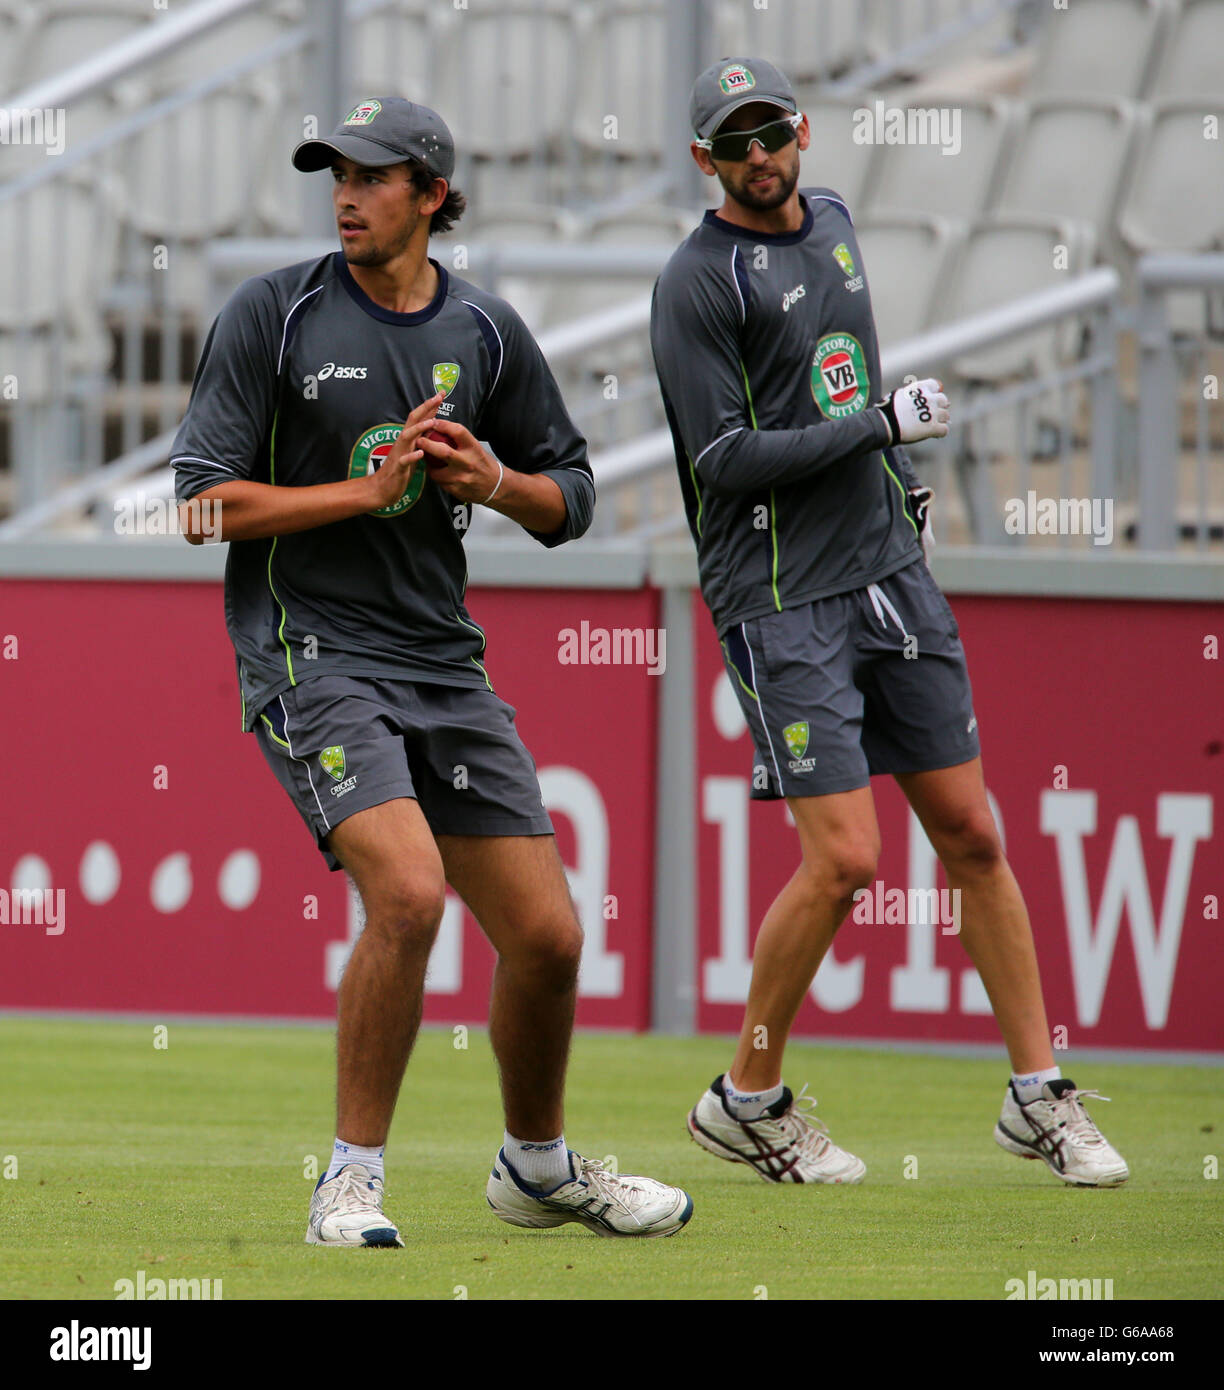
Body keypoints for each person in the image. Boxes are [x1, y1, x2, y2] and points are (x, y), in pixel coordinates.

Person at [172, 97, 693, 1244]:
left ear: (433, 194)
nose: (345, 194)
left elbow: (574, 500)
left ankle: (537, 1167)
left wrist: (492, 482)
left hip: (441, 660)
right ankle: (349, 1180)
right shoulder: (275, 312)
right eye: (334, 174)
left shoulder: (489, 334)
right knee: (407, 894)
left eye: (371, 175)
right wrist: (360, 494)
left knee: (551, 938)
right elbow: (203, 505)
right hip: (311, 650)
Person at [649, 59, 1127, 1188]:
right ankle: (747, 1097)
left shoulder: (840, 224)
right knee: (848, 858)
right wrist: (876, 425)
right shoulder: (695, 282)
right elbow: (723, 464)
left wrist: (889, 469)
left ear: (803, 129)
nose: (759, 155)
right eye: (734, 141)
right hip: (780, 596)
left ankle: (1036, 1093)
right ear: (702, 160)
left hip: (885, 571)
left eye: (771, 131)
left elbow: (834, 387)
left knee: (973, 833)